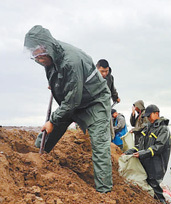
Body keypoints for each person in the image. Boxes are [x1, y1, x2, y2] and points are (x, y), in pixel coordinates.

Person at [24, 25, 112, 193]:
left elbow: (72, 101)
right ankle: (34, 158)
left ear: (47, 46)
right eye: (35, 57)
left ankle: (104, 192)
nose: (39, 60)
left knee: (100, 146)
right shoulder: (49, 58)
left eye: (40, 56)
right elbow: (66, 90)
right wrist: (56, 84)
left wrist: (52, 120)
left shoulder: (71, 60)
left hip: (94, 101)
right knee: (48, 132)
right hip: (74, 99)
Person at [124, 104, 171, 203]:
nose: (148, 118)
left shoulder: (163, 129)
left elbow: (158, 147)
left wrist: (142, 154)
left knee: (155, 187)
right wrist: (128, 152)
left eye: (149, 115)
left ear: (156, 114)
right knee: (147, 186)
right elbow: (140, 145)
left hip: (156, 165)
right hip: (146, 162)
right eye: (147, 116)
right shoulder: (147, 128)